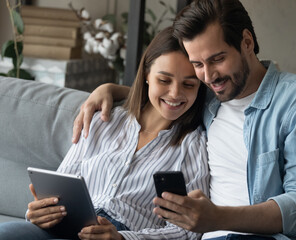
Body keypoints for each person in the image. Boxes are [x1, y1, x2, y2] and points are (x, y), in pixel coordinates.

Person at [71, 0, 296, 239]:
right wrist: (108, 89)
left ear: (246, 42)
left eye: (217, 59)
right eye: (198, 65)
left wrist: (217, 218)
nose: (208, 75)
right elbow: (169, 95)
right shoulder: (209, 99)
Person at [0, 27, 209, 240]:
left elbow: (189, 232)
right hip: (64, 224)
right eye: (164, 80)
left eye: (189, 84)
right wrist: (38, 212)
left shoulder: (193, 145)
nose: (175, 93)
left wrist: (123, 238)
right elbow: (61, 183)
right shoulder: (104, 120)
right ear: (146, 75)